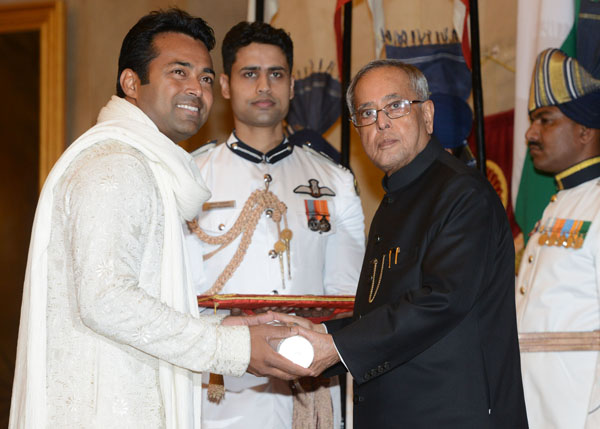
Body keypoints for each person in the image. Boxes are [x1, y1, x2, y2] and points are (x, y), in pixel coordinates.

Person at [9, 9, 309, 428]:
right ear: (132, 83)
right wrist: (231, 346)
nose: (197, 89)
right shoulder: (115, 165)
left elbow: (143, 299)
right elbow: (106, 300)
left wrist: (227, 323)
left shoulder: (147, 164)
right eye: (178, 72)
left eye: (205, 77)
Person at [277, 59, 529, 428]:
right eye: (367, 112)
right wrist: (322, 333)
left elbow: (440, 300)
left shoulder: (461, 193)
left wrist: (338, 348)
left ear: (427, 115)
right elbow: (388, 308)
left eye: (396, 106)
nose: (381, 122)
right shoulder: (398, 196)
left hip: (454, 415)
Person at [185, 21, 365, 429]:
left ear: (292, 85)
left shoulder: (334, 180)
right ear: (226, 85)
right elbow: (179, 292)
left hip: (309, 377)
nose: (264, 86)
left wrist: (308, 344)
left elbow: (348, 293)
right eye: (250, 74)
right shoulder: (192, 178)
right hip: (222, 390)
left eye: (276, 74)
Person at [515, 48, 600, 428]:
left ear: (584, 130)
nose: (531, 133)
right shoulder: (557, 204)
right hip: (537, 407)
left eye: (545, 120)